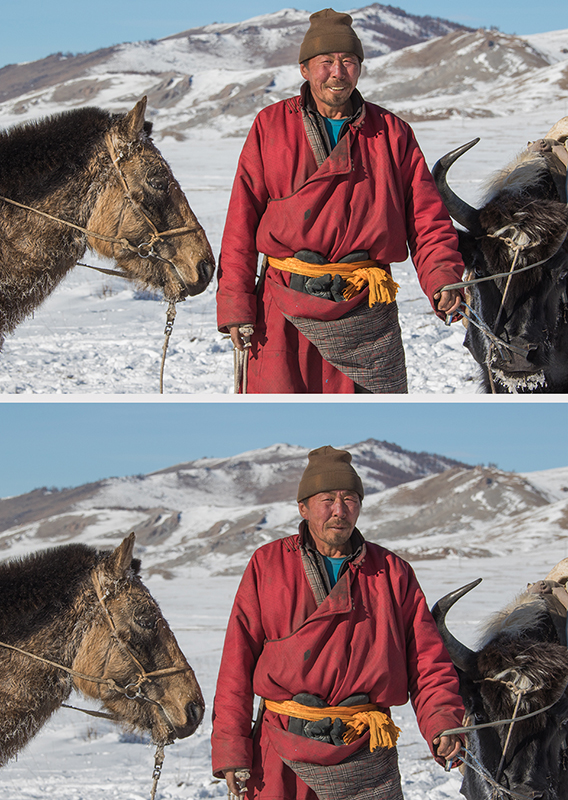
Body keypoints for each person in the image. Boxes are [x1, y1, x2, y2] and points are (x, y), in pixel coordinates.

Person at [216, 9, 464, 393]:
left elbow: (426, 217)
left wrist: (442, 275)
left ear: (360, 68)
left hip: (364, 306)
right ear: (304, 69)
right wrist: (235, 302)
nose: (337, 72)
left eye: (348, 61)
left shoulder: (392, 133)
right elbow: (241, 222)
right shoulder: (271, 125)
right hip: (283, 307)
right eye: (326, 62)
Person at [211, 446, 464, 799]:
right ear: (303, 507)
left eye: (350, 499)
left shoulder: (392, 572)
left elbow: (426, 659)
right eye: (327, 499)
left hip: (365, 753)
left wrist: (442, 721)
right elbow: (236, 662)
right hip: (281, 754)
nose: (339, 511)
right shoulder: (268, 565)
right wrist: (231, 747)